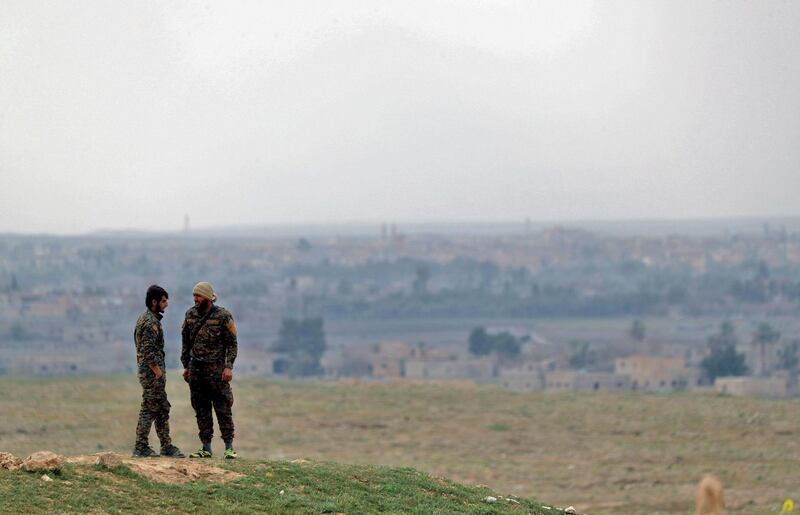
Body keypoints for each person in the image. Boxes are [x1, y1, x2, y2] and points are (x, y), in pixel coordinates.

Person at [181, 281, 239, 459]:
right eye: (194, 296)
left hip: (217, 372)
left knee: (223, 409)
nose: (195, 299)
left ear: (207, 297)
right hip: (197, 372)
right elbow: (186, 342)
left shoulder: (223, 316)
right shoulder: (190, 315)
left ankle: (229, 447)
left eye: (198, 296)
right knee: (201, 409)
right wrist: (186, 366)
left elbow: (232, 344)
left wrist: (228, 367)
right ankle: (206, 447)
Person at [133, 285, 184, 458]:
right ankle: (140, 447)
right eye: (163, 301)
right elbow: (147, 351)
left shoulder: (149, 319)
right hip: (151, 374)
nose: (166, 304)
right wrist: (157, 371)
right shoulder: (149, 323)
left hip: (153, 373)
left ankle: (166, 446)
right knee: (149, 408)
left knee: (162, 408)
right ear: (154, 302)